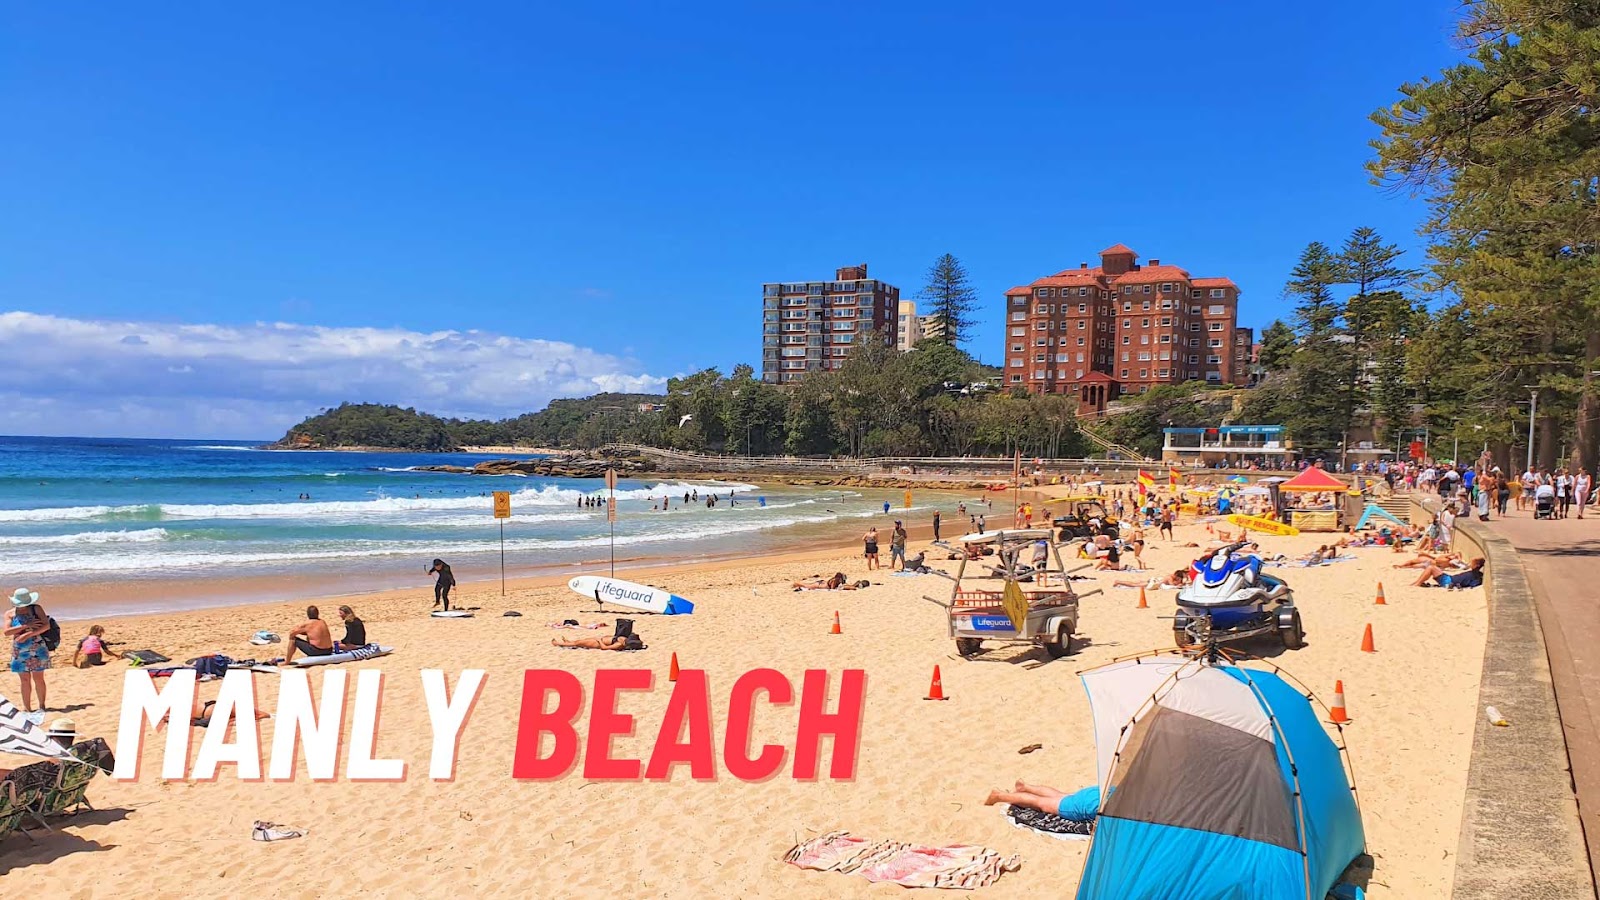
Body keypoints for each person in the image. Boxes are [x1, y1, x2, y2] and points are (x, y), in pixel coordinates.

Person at [6, 588, 50, 714]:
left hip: (37, 647)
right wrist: (25, 626)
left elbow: (46, 625)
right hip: (19, 649)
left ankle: (42, 706)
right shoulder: (10, 613)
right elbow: (6, 632)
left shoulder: (36, 609)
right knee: (24, 680)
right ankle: (27, 708)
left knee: (38, 678)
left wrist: (28, 634)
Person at [1415, 556, 1486, 588]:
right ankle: (1416, 583)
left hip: (1449, 581)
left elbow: (1473, 584)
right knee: (1432, 567)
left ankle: (1417, 583)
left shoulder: (1476, 575)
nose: (1470, 564)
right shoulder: (1475, 573)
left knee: (1431, 568)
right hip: (1450, 578)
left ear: (1477, 565)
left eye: (1472, 563)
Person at [551, 634, 641, 650]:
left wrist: (599, 640)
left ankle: (557, 643)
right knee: (580, 641)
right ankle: (568, 642)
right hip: (599, 639)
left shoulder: (619, 645)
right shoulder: (623, 639)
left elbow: (604, 648)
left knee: (577, 643)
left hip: (597, 643)